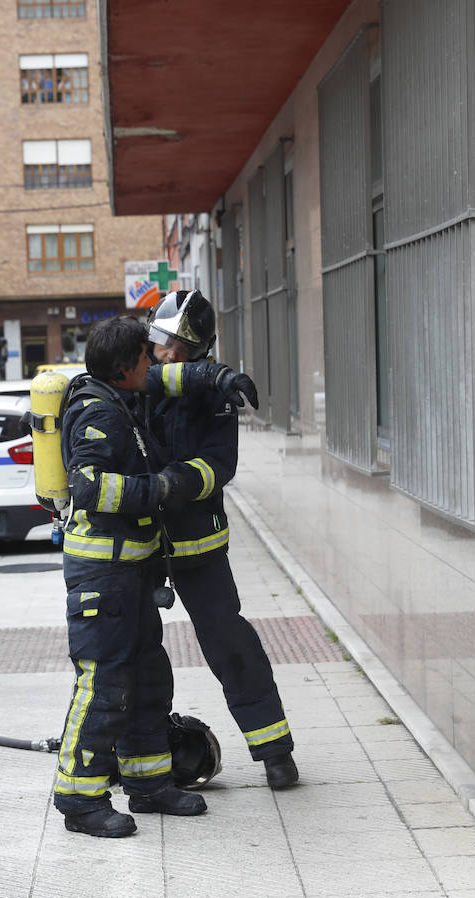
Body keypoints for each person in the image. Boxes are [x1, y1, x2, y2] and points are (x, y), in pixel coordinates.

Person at [50, 316, 257, 837]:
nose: (156, 365)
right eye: (147, 357)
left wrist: (220, 377)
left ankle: (149, 785)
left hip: (134, 570)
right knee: (103, 685)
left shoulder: (123, 394)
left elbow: (178, 378)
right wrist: (159, 489)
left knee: (147, 679)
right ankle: (80, 802)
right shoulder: (99, 413)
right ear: (126, 368)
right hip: (104, 574)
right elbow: (90, 486)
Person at [145, 290, 299, 789]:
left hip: (196, 545)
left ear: (198, 348)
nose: (163, 353)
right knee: (129, 651)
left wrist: (175, 484)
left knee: (229, 642)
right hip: (137, 542)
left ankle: (274, 749)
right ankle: (137, 756)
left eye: (175, 345)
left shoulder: (216, 395)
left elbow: (219, 465)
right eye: (159, 341)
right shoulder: (139, 377)